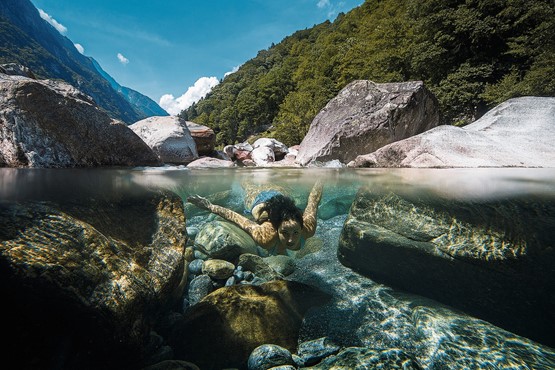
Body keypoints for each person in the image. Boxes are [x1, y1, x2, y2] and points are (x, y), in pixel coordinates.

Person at [187, 181, 323, 255]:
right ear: (276, 229)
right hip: (259, 202)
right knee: (247, 186)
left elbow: (314, 200)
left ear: (301, 226)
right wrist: (210, 206)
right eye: (284, 233)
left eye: (295, 232)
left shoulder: (308, 227)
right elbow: (238, 219)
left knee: (274, 184)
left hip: (280, 196)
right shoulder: (266, 236)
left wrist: (321, 178)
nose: (291, 239)